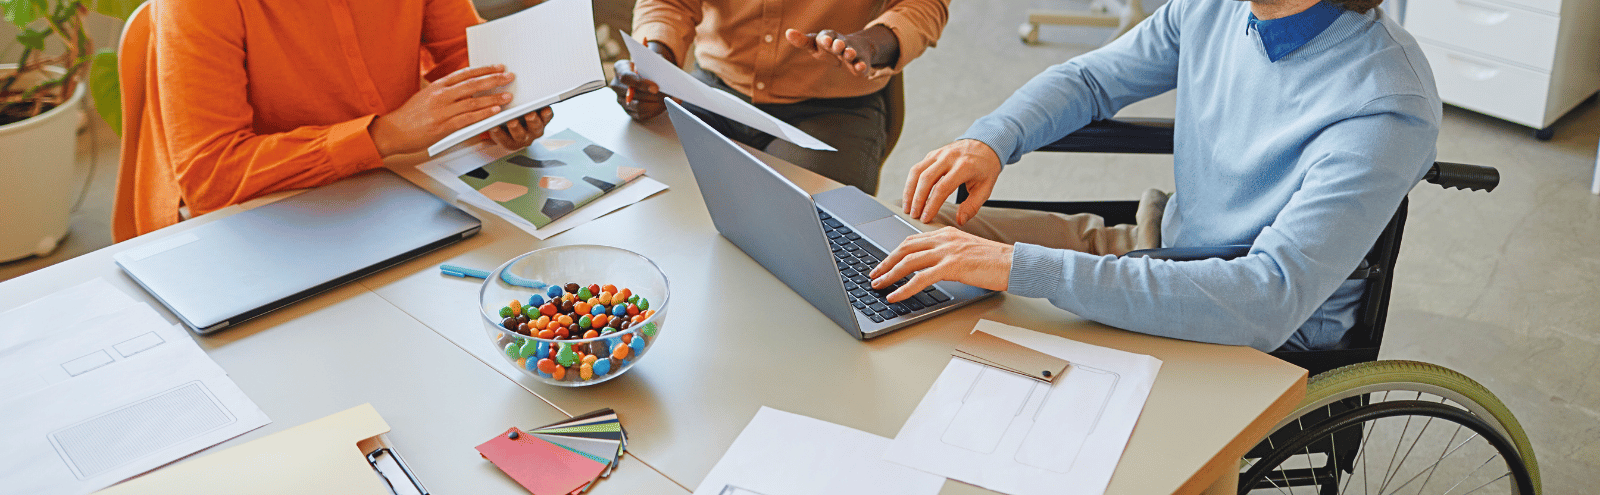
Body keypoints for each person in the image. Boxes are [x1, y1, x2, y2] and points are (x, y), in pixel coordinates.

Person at [870, 0, 1441, 352]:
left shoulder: (1386, 103)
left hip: (1248, 325)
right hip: (1160, 247)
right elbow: (1092, 79)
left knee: (989, 299)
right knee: (920, 230)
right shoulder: (1215, 7)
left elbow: (1268, 298)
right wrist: (992, 140)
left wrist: (1022, 269)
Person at [112, 0, 553, 241]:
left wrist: (503, 108)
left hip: (390, 194)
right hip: (255, 220)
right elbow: (212, 177)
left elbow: (461, 54)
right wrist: (384, 134)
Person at [607, 0, 949, 194]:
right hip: (712, 91)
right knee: (647, 198)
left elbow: (923, 5)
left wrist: (870, 43)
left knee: (809, 244)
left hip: (833, 108)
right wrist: (655, 66)